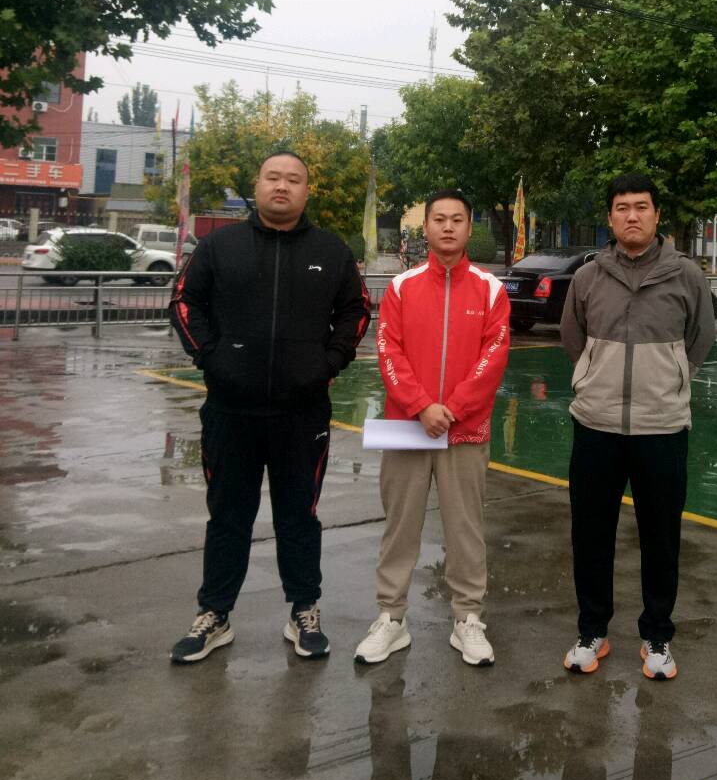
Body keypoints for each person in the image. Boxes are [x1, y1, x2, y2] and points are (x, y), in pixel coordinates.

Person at [167, 151, 370, 663]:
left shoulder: (331, 251)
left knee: (299, 515)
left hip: (302, 413)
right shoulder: (219, 246)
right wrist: (212, 358)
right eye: (273, 177)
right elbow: (184, 302)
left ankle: (304, 609)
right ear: (257, 185)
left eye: (293, 179)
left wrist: (328, 363)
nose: (282, 186)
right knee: (228, 516)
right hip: (230, 411)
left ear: (306, 191)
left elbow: (357, 310)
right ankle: (215, 614)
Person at [559, 174, 715, 681]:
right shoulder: (588, 277)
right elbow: (572, 337)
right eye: (622, 207)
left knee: (661, 537)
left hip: (662, 426)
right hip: (596, 424)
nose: (632, 215)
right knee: (591, 534)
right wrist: (593, 378)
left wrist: (670, 378)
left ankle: (657, 636)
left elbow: (700, 337)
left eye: (641, 206)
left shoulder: (685, 275)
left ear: (656, 215)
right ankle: (592, 631)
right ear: (610, 217)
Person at [355, 188, 510, 667]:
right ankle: (391, 617)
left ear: (468, 226)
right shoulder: (402, 287)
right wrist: (421, 406)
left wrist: (454, 408)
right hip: (408, 428)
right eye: (438, 219)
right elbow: (389, 350)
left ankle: (468, 618)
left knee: (466, 528)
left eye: (456, 219)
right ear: (425, 228)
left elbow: (493, 356)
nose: (447, 227)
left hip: (465, 430)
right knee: (400, 525)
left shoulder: (490, 289)